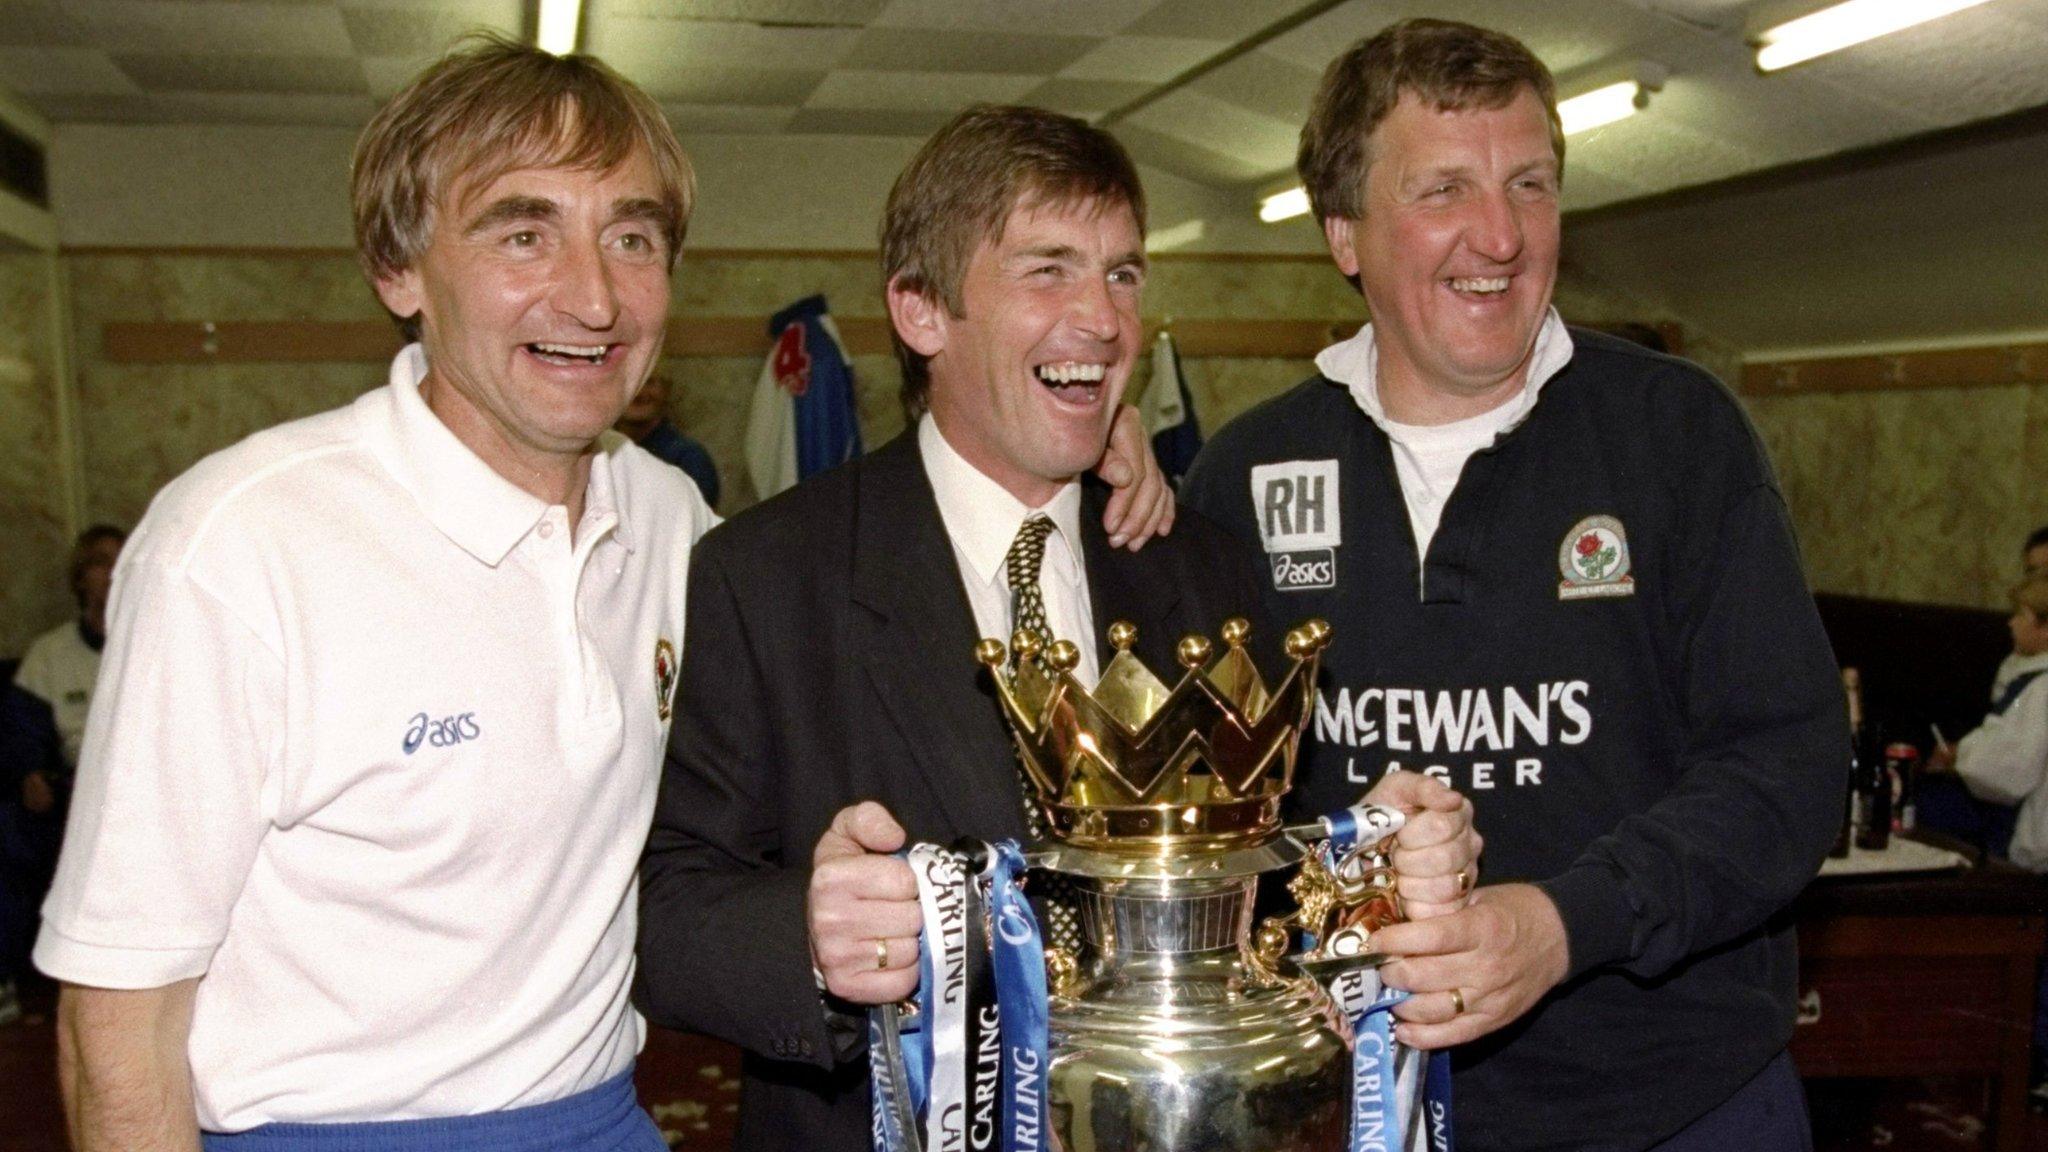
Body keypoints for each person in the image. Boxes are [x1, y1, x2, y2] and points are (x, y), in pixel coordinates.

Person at [634, 104, 1478, 1152]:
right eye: (1047, 270)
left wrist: (1381, 867)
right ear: (920, 311)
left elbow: (1278, 876)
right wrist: (807, 937)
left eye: (1122, 273)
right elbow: (665, 907)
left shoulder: (1201, 564)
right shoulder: (767, 576)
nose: (1103, 318)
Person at [34, 37, 713, 1151]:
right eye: (523, 231)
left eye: (631, 238)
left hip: (600, 1118)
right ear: (399, 270)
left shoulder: (669, 517)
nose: (593, 297)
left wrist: (1073, 485)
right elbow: (117, 1016)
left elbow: (836, 608)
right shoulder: (238, 543)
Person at [1181, 19, 1845, 1152]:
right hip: (1350, 1110)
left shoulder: (1679, 434)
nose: (1498, 235)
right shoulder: (1242, 475)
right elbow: (1197, 823)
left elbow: (1785, 772)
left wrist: (1559, 924)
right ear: (1343, 233)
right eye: (1443, 189)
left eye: (1528, 183)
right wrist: (1335, 866)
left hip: (1678, 1107)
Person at [0, 525, 125, 1026]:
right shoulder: (49, 654)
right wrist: (28, 771)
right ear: (80, 584)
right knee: (7, 831)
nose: (106, 582)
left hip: (140, 789)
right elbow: (20, 728)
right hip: (70, 788)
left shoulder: (157, 641)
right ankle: (7, 975)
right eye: (95, 568)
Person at [1927, 573, 2048, 865]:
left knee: (1925, 807)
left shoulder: (2041, 688)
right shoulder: (2025, 673)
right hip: (2009, 806)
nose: (2012, 622)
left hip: (2022, 826)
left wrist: (1961, 759)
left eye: (2021, 615)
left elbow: (2013, 771)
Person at [616, 371, 722, 508]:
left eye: (649, 382)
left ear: (666, 390)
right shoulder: (598, 453)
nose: (639, 392)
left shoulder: (689, 458)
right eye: (628, 382)